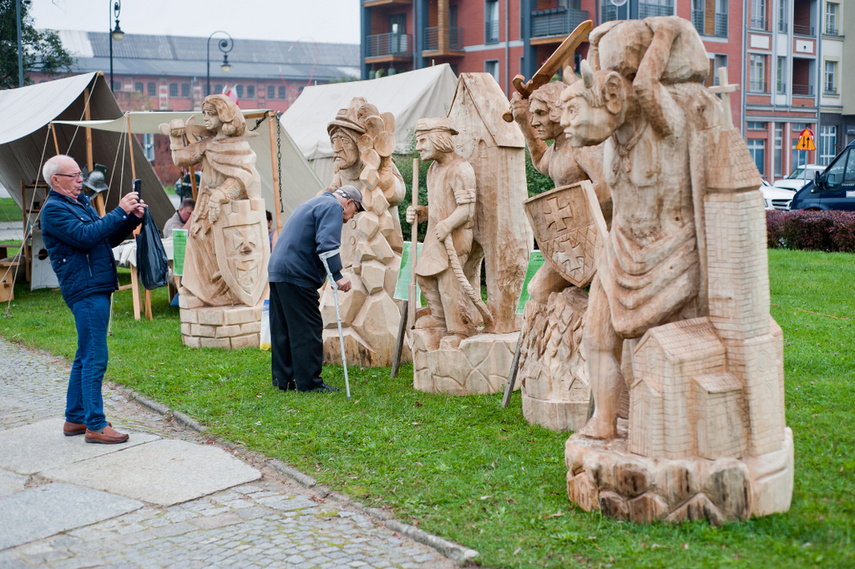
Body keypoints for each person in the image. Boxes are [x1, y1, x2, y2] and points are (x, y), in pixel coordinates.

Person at [40, 154, 146, 444]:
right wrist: (118, 210)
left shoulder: (79, 203)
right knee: (94, 357)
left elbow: (103, 238)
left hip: (95, 284)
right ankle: (95, 424)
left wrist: (129, 220)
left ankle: (75, 418)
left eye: (79, 174)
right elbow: (86, 236)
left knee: (84, 355)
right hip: (85, 289)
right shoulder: (53, 210)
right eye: (73, 175)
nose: (80, 180)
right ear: (56, 181)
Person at [167, 94, 262, 306]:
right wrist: (175, 137)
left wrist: (222, 194)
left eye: (211, 114)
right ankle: (204, 293)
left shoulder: (240, 147)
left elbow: (245, 177)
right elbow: (181, 158)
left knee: (222, 248)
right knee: (197, 241)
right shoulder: (207, 145)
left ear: (224, 116)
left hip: (229, 208)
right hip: (205, 203)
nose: (206, 119)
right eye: (204, 114)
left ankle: (227, 295)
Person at [267, 186, 361, 392]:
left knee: (282, 326)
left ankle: (284, 380)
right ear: (350, 202)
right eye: (355, 210)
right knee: (307, 328)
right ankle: (309, 383)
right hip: (297, 273)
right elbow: (327, 244)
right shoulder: (333, 207)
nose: (350, 218)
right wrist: (337, 276)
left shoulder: (312, 202)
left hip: (278, 271)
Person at [406, 118, 481, 346]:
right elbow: (438, 207)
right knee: (424, 277)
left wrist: (449, 224)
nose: (418, 147)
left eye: (422, 140)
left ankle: (458, 330)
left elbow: (467, 210)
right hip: (435, 236)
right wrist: (420, 212)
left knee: (449, 284)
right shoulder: (433, 170)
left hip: (455, 236)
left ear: (439, 139)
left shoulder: (460, 169)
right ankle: (439, 318)